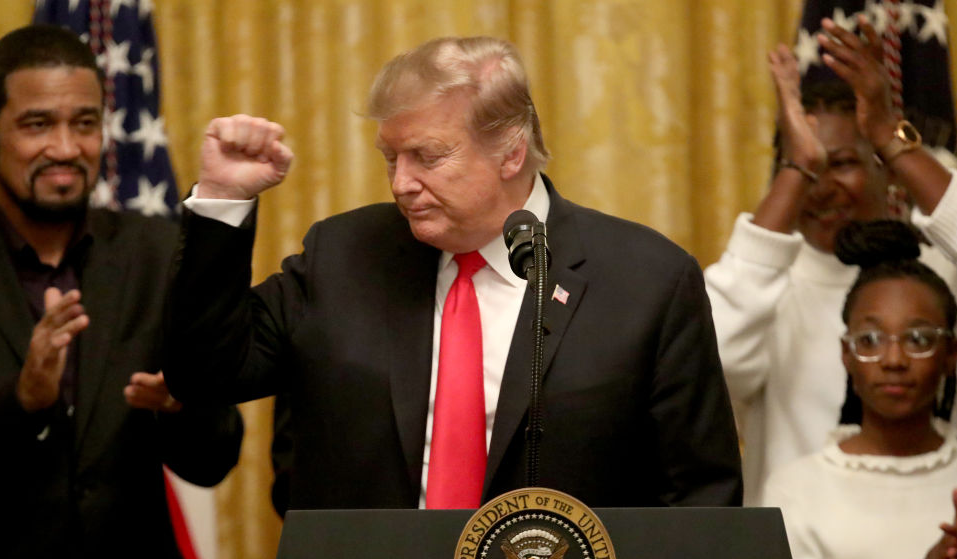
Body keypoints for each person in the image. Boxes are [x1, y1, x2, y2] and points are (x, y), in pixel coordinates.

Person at [163, 36, 743, 512]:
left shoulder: (647, 281)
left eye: (427, 157)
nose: (400, 184)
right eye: (391, 158)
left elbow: (700, 499)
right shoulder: (343, 255)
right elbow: (204, 374)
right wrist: (222, 199)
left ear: (511, 152)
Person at [0, 25, 244, 559]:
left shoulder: (160, 254)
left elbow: (216, 456)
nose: (66, 147)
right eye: (37, 125)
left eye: (84, 124)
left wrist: (180, 405)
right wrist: (21, 402)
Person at [704, 15, 957, 504]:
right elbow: (707, 353)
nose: (822, 187)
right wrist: (797, 169)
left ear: (884, 170)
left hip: (946, 552)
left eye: (843, 164)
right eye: (807, 166)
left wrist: (889, 134)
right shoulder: (765, 291)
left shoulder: (942, 279)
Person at [762, 219, 957, 559]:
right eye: (871, 339)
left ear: (951, 355)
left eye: (918, 338)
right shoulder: (797, 488)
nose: (893, 359)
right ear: (847, 354)